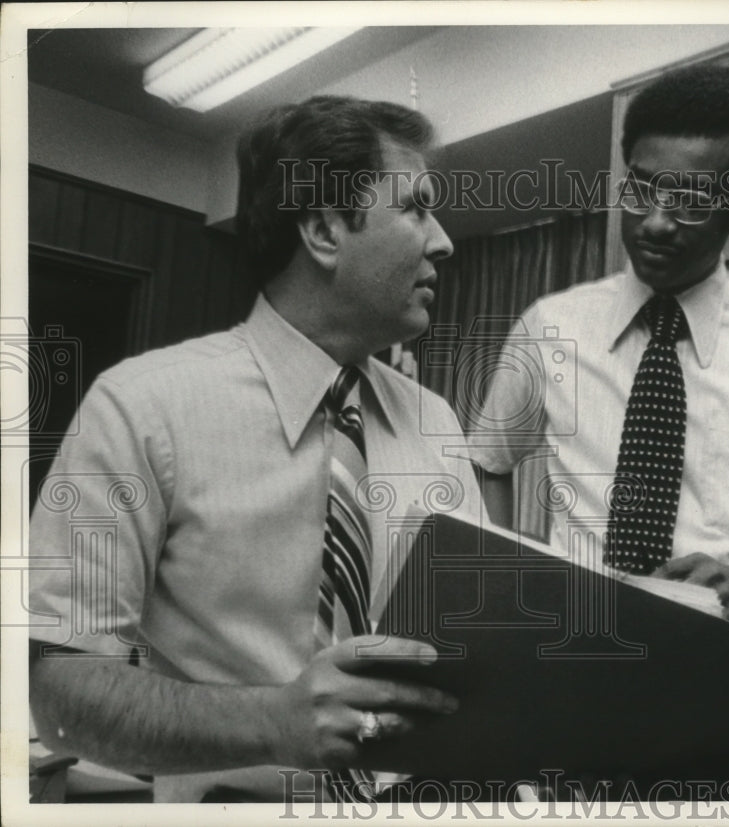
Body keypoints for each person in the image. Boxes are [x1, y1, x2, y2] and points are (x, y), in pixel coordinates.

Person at [28, 95, 481, 803]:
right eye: (417, 208)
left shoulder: (439, 423)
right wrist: (275, 721)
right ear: (327, 229)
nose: (444, 240)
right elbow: (59, 692)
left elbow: (472, 647)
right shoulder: (141, 408)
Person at [467, 65, 729, 798]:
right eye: (640, 187)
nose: (655, 220)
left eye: (689, 200)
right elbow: (489, 459)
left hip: (714, 714)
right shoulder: (550, 328)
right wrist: (509, 580)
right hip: (564, 690)